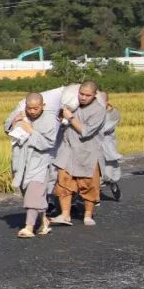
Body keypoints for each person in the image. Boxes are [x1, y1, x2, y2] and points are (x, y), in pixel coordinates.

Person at [51, 80, 106, 227]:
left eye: (88, 95)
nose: (83, 97)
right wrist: (62, 116)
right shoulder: (72, 104)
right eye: (81, 94)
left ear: (94, 95)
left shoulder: (99, 110)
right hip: (68, 149)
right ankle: (65, 214)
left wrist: (70, 117)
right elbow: (61, 121)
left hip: (87, 152)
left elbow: (85, 131)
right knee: (63, 182)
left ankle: (88, 215)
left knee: (89, 184)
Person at [4, 92, 59, 238]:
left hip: (39, 161)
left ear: (43, 105)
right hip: (20, 161)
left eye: (36, 108)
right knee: (31, 194)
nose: (32, 111)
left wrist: (30, 131)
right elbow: (7, 129)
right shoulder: (20, 113)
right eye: (29, 108)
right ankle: (44, 221)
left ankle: (29, 227)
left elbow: (48, 143)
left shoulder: (49, 119)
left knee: (33, 194)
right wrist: (14, 122)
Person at [99, 94, 123, 202]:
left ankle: (113, 184)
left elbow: (102, 129)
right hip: (92, 148)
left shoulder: (114, 114)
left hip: (106, 147)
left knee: (109, 175)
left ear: (107, 101)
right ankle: (93, 197)